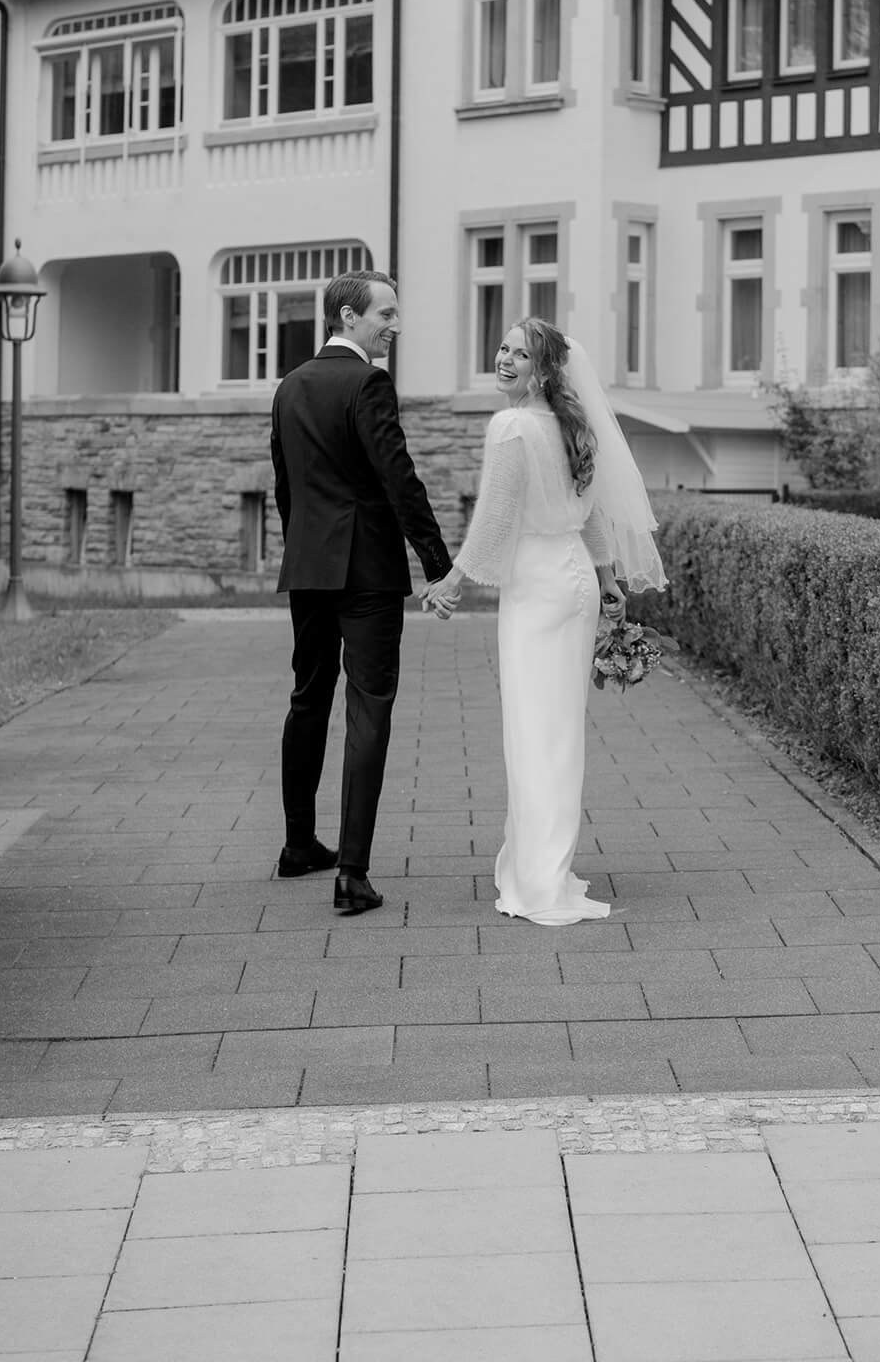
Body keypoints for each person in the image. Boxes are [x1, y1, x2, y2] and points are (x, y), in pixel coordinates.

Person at [422, 319, 666, 925]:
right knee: (559, 734)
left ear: (544, 369)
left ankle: (539, 878)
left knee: (531, 732)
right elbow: (591, 515)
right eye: (502, 348)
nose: (505, 359)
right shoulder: (573, 427)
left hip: (537, 586)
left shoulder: (511, 427)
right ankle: (543, 864)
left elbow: (496, 517)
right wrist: (608, 583)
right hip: (577, 582)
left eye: (520, 354)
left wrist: (453, 580)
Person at [271, 268, 451, 916]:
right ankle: (351, 873)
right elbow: (397, 478)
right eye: (385, 314)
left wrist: (304, 551)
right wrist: (438, 563)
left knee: (307, 700)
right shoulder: (368, 383)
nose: (395, 325)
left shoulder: (290, 385)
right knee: (368, 709)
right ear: (348, 317)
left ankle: (298, 847)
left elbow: (285, 486)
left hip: (309, 567)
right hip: (367, 573)